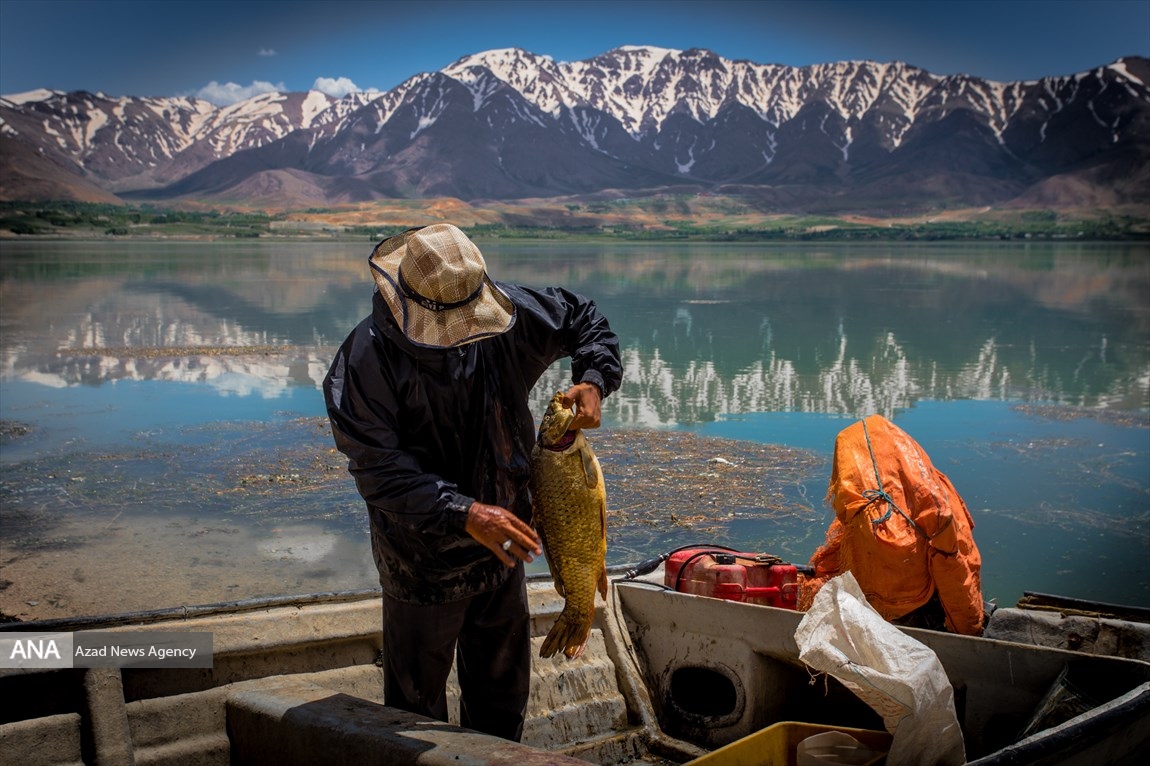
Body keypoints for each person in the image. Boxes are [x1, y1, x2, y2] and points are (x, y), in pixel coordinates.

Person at [323, 223, 622, 742]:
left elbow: (583, 319)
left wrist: (594, 379)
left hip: (503, 548)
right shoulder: (365, 361)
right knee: (415, 718)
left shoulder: (510, 315)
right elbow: (379, 472)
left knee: (501, 699)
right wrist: (464, 512)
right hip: (422, 561)